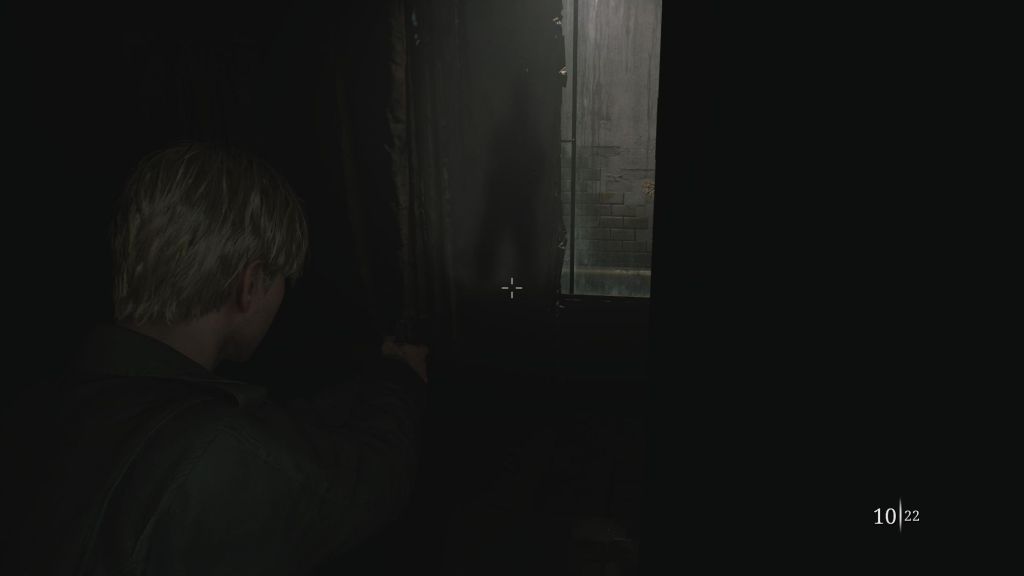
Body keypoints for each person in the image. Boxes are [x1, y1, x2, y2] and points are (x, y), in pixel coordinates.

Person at [9, 141, 429, 575]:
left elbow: (276, 436)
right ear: (251, 285)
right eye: (281, 280)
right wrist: (401, 378)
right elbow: (371, 480)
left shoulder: (37, 405)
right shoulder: (212, 452)